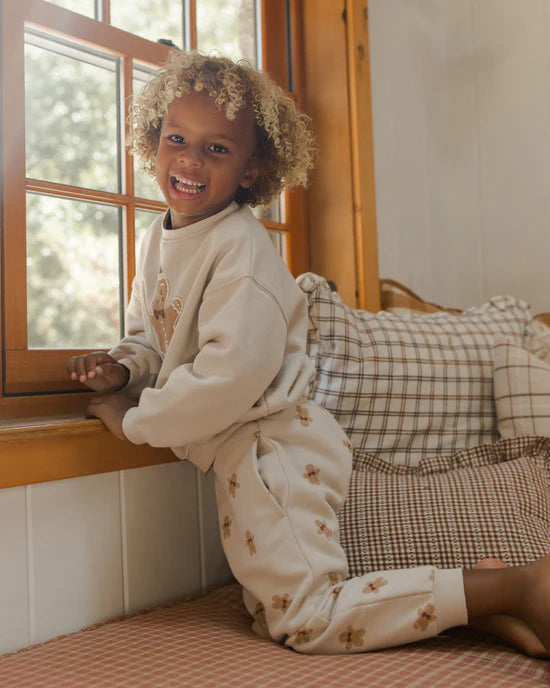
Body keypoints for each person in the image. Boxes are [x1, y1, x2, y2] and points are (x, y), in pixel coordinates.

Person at [66, 50, 550, 657]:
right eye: (176, 139)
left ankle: (518, 584)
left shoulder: (241, 250)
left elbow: (228, 377)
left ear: (251, 169)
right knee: (271, 607)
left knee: (306, 618)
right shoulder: (158, 240)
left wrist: (131, 420)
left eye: (217, 149)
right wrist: (124, 365)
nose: (189, 160)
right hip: (252, 451)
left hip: (274, 448)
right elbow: (150, 332)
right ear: (152, 141)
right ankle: (486, 597)